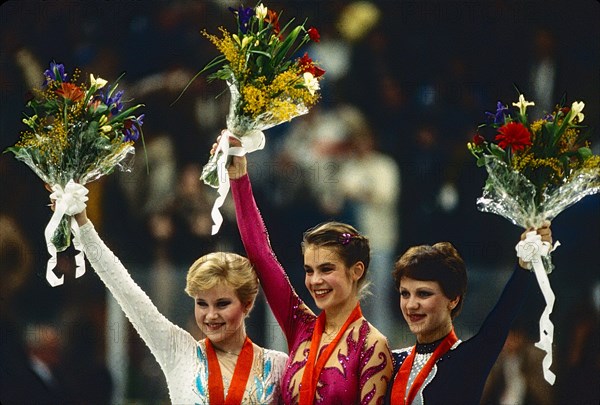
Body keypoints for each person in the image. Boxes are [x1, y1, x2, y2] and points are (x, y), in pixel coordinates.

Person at [48, 196, 288, 404]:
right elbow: (125, 289)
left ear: (247, 304)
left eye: (222, 304)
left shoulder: (277, 365)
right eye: (202, 303)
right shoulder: (178, 350)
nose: (210, 315)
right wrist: (83, 224)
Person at [220, 135, 394, 404]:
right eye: (309, 270)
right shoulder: (301, 326)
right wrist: (239, 177)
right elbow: (261, 255)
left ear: (356, 270)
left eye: (326, 269)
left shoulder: (372, 345)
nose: (315, 280)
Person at [387, 223, 553, 404]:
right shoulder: (391, 362)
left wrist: (527, 260)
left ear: (453, 299)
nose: (411, 305)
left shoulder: (469, 360)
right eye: (405, 294)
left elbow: (503, 315)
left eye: (424, 294)